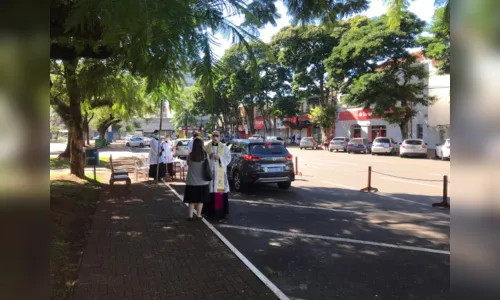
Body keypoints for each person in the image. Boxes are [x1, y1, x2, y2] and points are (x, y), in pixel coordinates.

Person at [202, 131, 232, 221]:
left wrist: (220, 158)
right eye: (214, 135)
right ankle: (208, 212)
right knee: (210, 191)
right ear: (211, 136)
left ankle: (219, 213)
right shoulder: (207, 147)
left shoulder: (224, 147)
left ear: (220, 137)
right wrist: (210, 156)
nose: (215, 137)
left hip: (220, 172)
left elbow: (228, 158)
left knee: (219, 193)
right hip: (210, 172)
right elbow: (203, 158)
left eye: (217, 136)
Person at [183, 139, 210, 221]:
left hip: (191, 182)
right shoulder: (205, 155)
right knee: (200, 200)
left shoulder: (190, 156)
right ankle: (198, 215)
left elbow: (188, 164)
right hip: (203, 182)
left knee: (191, 201)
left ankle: (190, 216)